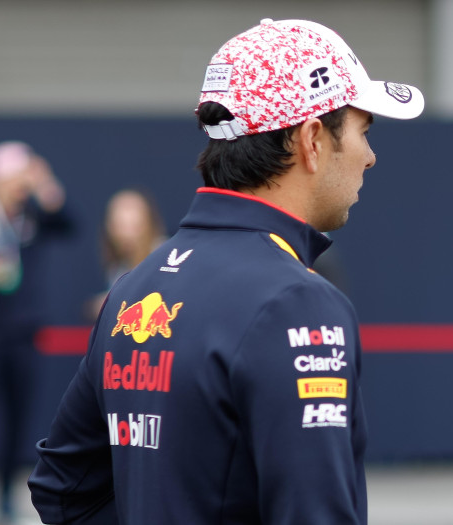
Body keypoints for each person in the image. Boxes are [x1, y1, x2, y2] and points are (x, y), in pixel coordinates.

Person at [28, 18, 424, 524]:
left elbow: (62, 490)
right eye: (363, 131)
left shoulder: (134, 287)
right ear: (311, 140)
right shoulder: (296, 302)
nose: (370, 157)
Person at [0, 140, 72, 521]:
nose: (19, 188)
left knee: (19, 415)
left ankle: (7, 493)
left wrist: (44, 181)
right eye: (14, 179)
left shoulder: (32, 216)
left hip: (25, 333)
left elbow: (66, 221)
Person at [85, 188, 167, 320]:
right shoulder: (118, 268)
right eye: (120, 225)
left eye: (134, 225)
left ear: (149, 224)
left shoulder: (166, 259)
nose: (127, 235)